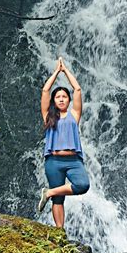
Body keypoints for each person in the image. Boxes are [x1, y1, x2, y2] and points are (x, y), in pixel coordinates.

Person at [38, 57, 90, 228]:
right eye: (58, 97)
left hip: (74, 161)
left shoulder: (74, 115)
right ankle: (60, 232)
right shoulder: (48, 117)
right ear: (54, 101)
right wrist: (55, 72)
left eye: (64, 97)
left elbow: (77, 88)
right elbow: (45, 91)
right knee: (58, 200)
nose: (61, 99)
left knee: (82, 185)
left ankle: (49, 192)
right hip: (53, 161)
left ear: (68, 100)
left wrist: (65, 70)